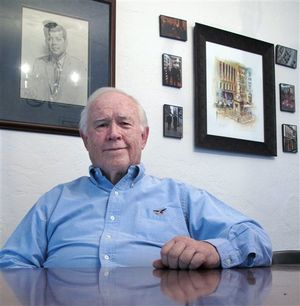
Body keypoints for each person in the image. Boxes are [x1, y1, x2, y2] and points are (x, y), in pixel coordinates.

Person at [0, 87, 272, 269]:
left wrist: (214, 251)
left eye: (124, 123)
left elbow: (256, 239)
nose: (114, 134)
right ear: (85, 140)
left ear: (143, 137)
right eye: (102, 124)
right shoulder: (55, 201)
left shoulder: (180, 196)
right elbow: (13, 261)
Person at [22, 21, 87, 105]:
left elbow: (82, 100)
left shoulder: (78, 65)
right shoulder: (39, 63)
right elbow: (30, 96)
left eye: (58, 39)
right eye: (50, 39)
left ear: (65, 42)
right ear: (46, 42)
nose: (54, 43)